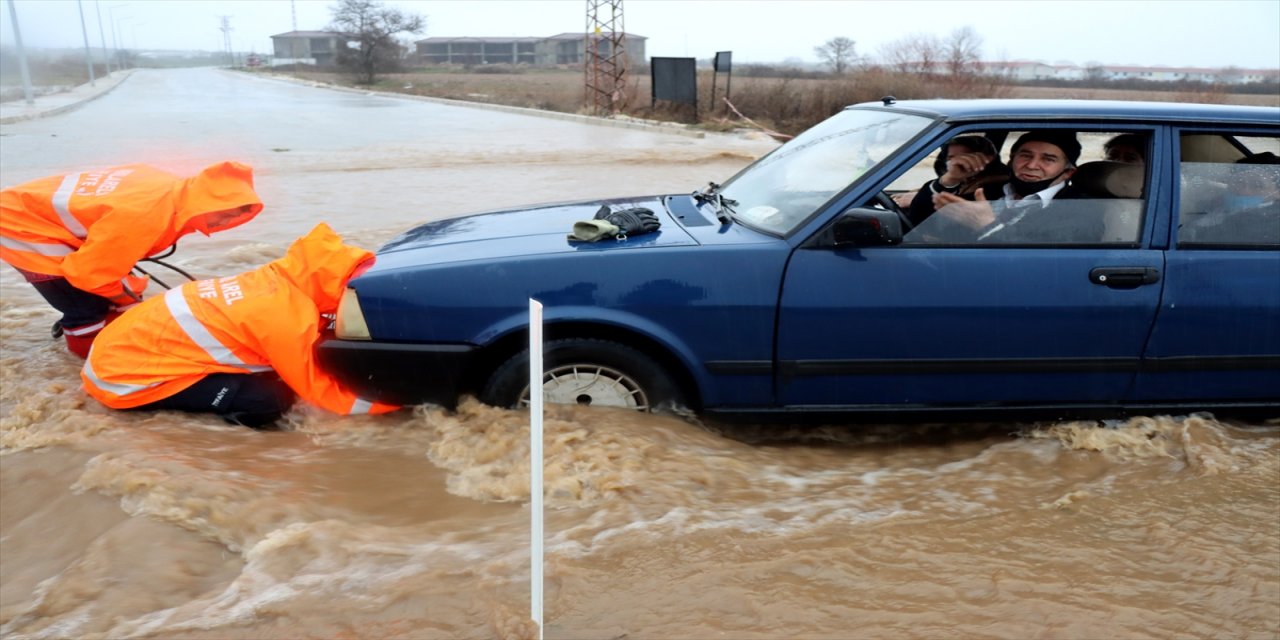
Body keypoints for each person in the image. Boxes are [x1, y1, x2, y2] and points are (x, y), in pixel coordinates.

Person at [80, 223, 400, 428]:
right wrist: (400, 404)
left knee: (277, 368)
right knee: (269, 401)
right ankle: (214, 422)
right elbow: (328, 396)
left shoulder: (276, 278)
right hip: (121, 381)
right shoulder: (285, 317)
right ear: (332, 285)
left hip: (118, 351)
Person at [0, 161, 264, 357]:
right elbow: (87, 274)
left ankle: (109, 343)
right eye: (224, 214)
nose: (225, 222)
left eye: (232, 218)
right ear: (209, 201)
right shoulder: (146, 216)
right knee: (84, 308)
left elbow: (108, 252)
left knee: (115, 298)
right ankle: (84, 371)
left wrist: (124, 298)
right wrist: (123, 298)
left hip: (36, 214)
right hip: (20, 226)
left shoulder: (168, 187)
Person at [907, 130, 1100, 243]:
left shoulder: (1081, 208)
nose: (1032, 165)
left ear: (1068, 172)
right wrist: (949, 180)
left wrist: (989, 227)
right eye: (1025, 155)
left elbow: (1037, 264)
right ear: (1011, 159)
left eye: (1048, 159)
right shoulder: (989, 191)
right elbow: (920, 222)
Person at [891, 135, 1008, 209]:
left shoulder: (998, 188)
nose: (954, 163)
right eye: (950, 158)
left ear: (986, 159)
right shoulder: (958, 182)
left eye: (963, 157)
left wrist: (916, 201)